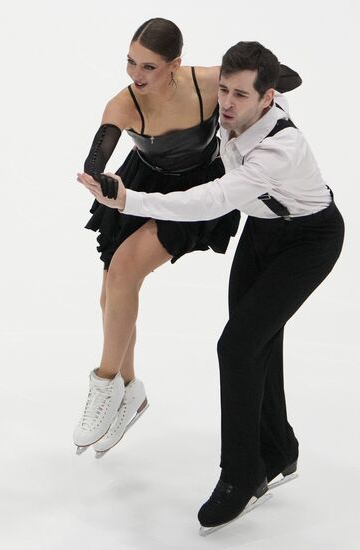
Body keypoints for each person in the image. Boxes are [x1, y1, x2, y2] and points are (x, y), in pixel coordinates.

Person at [78, 41, 344, 534]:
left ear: (268, 100)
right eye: (224, 89)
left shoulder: (279, 149)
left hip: (309, 240)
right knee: (260, 340)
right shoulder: (236, 102)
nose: (226, 103)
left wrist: (130, 199)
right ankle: (279, 448)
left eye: (241, 95)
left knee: (237, 346)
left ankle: (241, 477)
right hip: (264, 230)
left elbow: (212, 199)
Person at [73, 18, 301, 459]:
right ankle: (129, 390)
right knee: (111, 291)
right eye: (131, 62)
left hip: (197, 191)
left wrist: (263, 94)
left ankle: (104, 383)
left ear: (175, 65)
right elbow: (100, 149)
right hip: (144, 183)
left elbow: (284, 77)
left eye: (149, 67)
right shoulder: (124, 103)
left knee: (123, 272)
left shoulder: (208, 82)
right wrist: (97, 175)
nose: (136, 76)